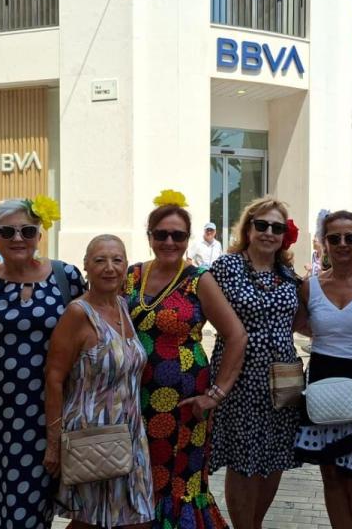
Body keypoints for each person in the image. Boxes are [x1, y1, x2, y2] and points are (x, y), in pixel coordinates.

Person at [125, 198, 246, 528]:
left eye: (177, 236)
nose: (169, 242)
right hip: (133, 399)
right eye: (161, 234)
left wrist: (216, 395)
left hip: (184, 404)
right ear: (149, 236)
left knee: (180, 479)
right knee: (139, 473)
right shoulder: (131, 276)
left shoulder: (198, 280)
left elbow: (236, 336)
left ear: (188, 238)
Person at [0, 197, 85, 526]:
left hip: (49, 420)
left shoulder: (67, 277)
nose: (18, 239)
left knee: (32, 515)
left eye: (27, 230)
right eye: (7, 232)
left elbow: (91, 339)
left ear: (39, 236)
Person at [45, 235, 153, 529]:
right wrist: (54, 444)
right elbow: (54, 378)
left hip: (130, 433)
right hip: (93, 435)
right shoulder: (78, 314)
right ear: (86, 268)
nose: (109, 268)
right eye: (100, 260)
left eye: (117, 260)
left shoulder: (123, 306)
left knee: (135, 519)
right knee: (91, 523)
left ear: (126, 266)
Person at [209, 196, 302, 529]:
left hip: (284, 378)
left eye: (277, 227)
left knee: (275, 455)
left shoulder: (288, 274)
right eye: (261, 225)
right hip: (241, 376)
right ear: (247, 228)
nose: (268, 232)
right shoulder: (226, 267)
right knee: (243, 459)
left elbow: (304, 321)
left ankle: (255, 524)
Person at [293, 210, 352, 529]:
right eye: (335, 238)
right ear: (324, 243)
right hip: (322, 380)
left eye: (350, 237)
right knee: (331, 474)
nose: (343, 244)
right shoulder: (309, 287)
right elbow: (301, 325)